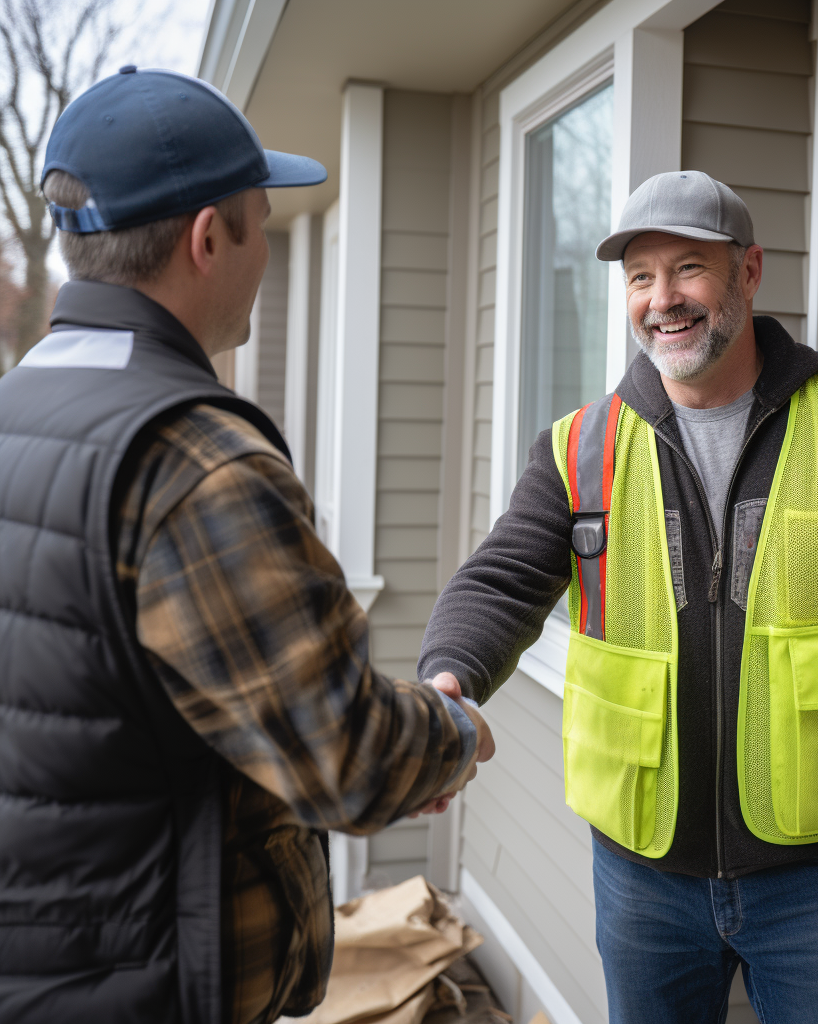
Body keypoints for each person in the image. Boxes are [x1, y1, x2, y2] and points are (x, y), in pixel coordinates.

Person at [420, 171, 818, 1023]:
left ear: (748, 272)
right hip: (642, 878)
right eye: (640, 277)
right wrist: (446, 683)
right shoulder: (582, 448)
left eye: (688, 269)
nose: (662, 300)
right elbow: (499, 580)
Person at [0, 67, 492, 1024]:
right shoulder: (196, 461)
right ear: (207, 237)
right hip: (144, 984)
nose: (266, 246)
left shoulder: (17, 409)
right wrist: (452, 735)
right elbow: (349, 760)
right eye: (262, 220)